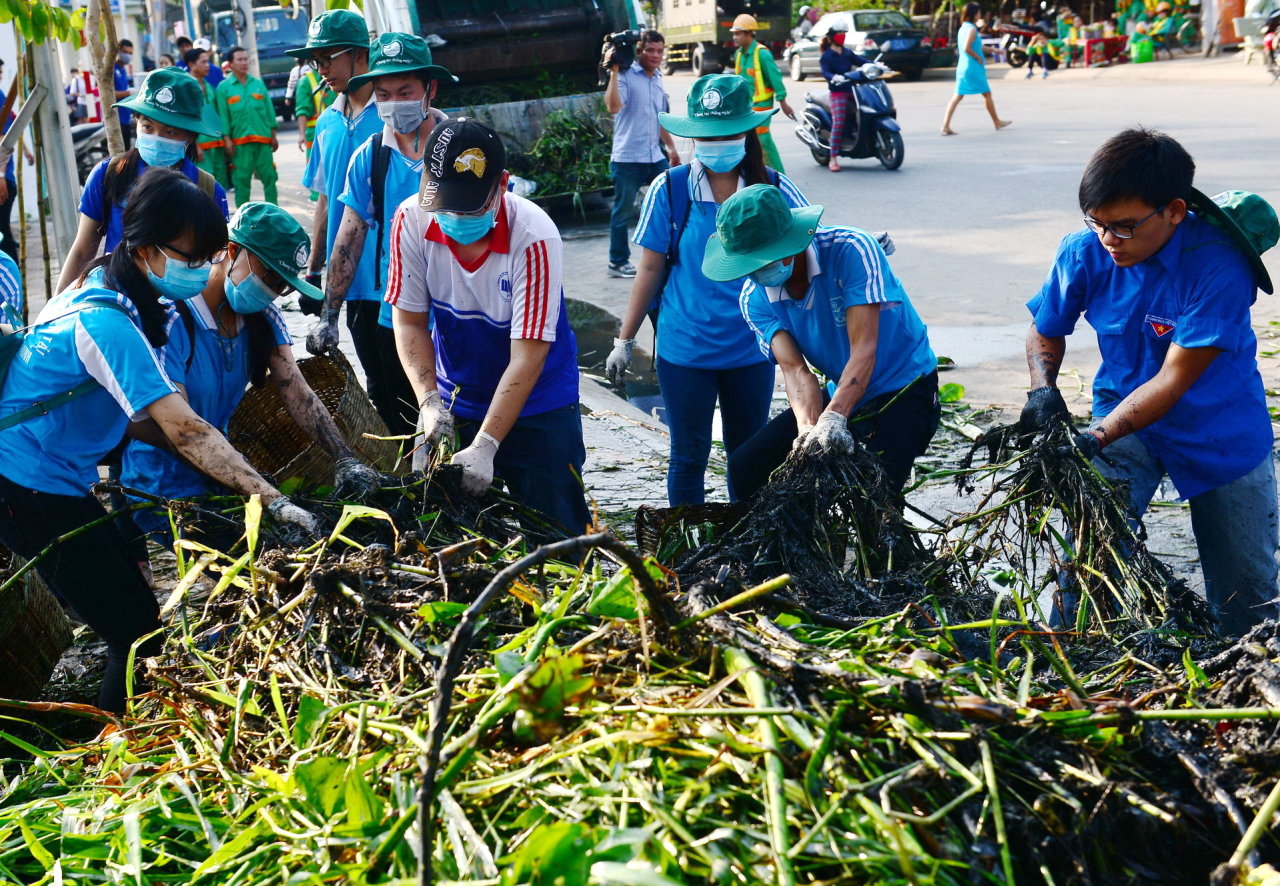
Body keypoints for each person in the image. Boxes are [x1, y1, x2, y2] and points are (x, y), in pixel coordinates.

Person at [0, 169, 318, 714]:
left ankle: (108, 731)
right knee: (136, 628)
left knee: (133, 613)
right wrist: (272, 498)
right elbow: (185, 427)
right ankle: (107, 752)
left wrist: (220, 464)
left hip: (52, 476)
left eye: (208, 259)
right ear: (146, 249)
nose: (200, 272)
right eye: (192, 259)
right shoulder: (106, 321)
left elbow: (147, 421)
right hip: (24, 483)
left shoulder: (119, 290)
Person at [1019, 128, 1280, 635]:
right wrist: (1042, 389)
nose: (1107, 240)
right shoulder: (1085, 250)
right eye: (1097, 223)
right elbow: (1043, 328)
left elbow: (1174, 379)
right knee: (1089, 563)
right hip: (1125, 417)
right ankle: (1071, 655)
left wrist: (1093, 437)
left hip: (1219, 430)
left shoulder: (1220, 266)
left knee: (1246, 602)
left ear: (1175, 211)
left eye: (1123, 227)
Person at [121, 201, 381, 561]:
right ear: (231, 251)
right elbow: (178, 433)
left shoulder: (263, 315)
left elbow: (295, 388)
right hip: (166, 487)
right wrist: (259, 489)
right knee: (261, 563)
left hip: (224, 476)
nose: (273, 290)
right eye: (269, 276)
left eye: (282, 285)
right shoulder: (174, 320)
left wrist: (344, 458)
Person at [606, 74, 809, 506]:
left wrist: (863, 247)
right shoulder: (671, 189)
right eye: (706, 136)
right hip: (684, 350)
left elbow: (810, 243)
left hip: (753, 345)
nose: (716, 144)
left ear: (747, 132)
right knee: (688, 456)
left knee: (749, 455)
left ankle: (746, 545)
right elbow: (649, 269)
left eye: (727, 134)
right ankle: (684, 555)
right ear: (692, 136)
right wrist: (625, 339)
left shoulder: (771, 188)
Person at [388, 118, 590, 536]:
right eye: (446, 204)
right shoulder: (410, 220)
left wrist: (487, 444)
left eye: (471, 206)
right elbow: (409, 320)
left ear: (503, 185)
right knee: (459, 535)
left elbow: (529, 355)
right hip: (456, 397)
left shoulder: (534, 237)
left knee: (557, 532)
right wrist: (429, 404)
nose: (456, 217)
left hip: (539, 403)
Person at [701, 185, 939, 500]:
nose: (756, 272)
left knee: (873, 494)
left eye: (763, 260)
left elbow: (865, 348)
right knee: (746, 466)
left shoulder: (852, 249)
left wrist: (835, 416)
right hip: (839, 388)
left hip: (905, 388)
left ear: (790, 242)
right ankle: (762, 548)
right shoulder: (754, 299)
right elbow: (795, 371)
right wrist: (807, 432)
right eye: (749, 265)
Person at [306, 33, 453, 435]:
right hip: (396, 312)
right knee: (399, 410)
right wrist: (329, 314)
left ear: (430, 89)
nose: (393, 103)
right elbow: (349, 239)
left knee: (462, 407)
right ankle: (419, 490)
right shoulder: (371, 156)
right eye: (383, 93)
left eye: (405, 91)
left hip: (457, 310)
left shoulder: (461, 146)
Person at [56, 67, 230, 295]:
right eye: (147, 127)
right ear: (136, 122)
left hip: (183, 311)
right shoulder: (108, 175)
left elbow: (217, 263)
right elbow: (82, 250)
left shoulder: (207, 188)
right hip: (119, 299)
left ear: (190, 135)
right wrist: (56, 306)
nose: (156, 138)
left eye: (170, 132)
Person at [287, 12, 381, 367]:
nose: (321, 69)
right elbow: (324, 201)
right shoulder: (326, 122)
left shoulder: (392, 116)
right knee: (375, 382)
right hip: (350, 277)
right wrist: (314, 271)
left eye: (328, 59)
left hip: (398, 275)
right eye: (316, 61)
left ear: (360, 54)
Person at [602, 28, 680, 279]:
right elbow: (613, 107)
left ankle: (672, 255)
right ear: (640, 51)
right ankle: (617, 262)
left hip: (654, 157)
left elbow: (658, 119)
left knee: (673, 202)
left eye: (659, 50)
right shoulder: (625, 75)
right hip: (627, 159)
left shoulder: (657, 78)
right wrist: (613, 72)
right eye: (650, 50)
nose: (655, 55)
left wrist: (671, 147)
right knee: (622, 213)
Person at [731, 14, 795, 172]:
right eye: (734, 33)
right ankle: (756, 174)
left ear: (748, 33)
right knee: (747, 142)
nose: (734, 37)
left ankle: (780, 176)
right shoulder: (739, 54)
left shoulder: (762, 53)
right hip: (746, 107)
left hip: (762, 105)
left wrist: (783, 102)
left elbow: (775, 79)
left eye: (737, 33)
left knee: (763, 139)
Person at [215, 46, 279, 206]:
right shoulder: (224, 88)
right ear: (230, 64)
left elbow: (269, 110)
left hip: (263, 141)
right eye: (240, 60)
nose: (244, 63)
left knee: (270, 178)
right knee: (241, 182)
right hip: (239, 145)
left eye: (246, 59)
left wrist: (273, 134)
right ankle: (242, 218)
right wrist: (227, 139)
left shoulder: (258, 84)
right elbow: (223, 116)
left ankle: (275, 214)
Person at [941, 2, 1012, 135]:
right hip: (972, 67)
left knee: (957, 96)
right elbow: (967, 47)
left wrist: (993, 50)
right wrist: (978, 58)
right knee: (987, 94)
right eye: (978, 12)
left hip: (963, 67)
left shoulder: (963, 28)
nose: (980, 15)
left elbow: (976, 46)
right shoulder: (972, 29)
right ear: (974, 14)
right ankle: (997, 121)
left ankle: (945, 125)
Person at [819, 25, 872, 172]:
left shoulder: (847, 52)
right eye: (839, 33)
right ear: (831, 37)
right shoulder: (826, 56)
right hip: (838, 92)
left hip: (853, 90)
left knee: (866, 111)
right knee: (839, 121)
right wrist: (833, 77)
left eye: (844, 33)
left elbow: (861, 61)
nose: (842, 35)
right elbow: (826, 73)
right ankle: (833, 158)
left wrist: (876, 65)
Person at [0, 61, 35, 263]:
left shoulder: (0, 97)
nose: (1, 76)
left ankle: (12, 274)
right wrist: (27, 152)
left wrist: (1, 175)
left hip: (4, 178)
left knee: (3, 232)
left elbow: (5, 138)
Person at [185, 48, 230, 190]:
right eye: (203, 62)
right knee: (204, 184)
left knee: (220, 183)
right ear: (192, 65)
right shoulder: (186, 86)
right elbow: (186, 118)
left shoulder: (208, 86)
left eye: (208, 61)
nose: (207, 65)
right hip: (200, 145)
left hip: (216, 142)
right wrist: (194, 145)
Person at [293, 58, 334, 159]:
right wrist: (302, 134)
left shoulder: (337, 77)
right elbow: (302, 110)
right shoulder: (305, 81)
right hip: (315, 135)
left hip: (337, 133)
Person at [114, 40, 136, 149]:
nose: (128, 55)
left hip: (125, 116)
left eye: (130, 53)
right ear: (117, 50)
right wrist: (129, 92)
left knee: (127, 150)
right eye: (125, 52)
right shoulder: (111, 68)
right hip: (115, 118)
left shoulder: (123, 69)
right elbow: (109, 94)